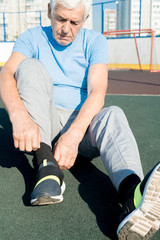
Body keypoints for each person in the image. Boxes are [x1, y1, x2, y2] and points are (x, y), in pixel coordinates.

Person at [0, 0, 160, 239]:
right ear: (49, 12)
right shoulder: (32, 36)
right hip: (45, 120)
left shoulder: (95, 41)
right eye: (60, 19)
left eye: (74, 22)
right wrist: (19, 116)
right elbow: (6, 75)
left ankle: (133, 196)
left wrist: (73, 136)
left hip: (82, 127)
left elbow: (98, 92)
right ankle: (47, 169)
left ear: (84, 21)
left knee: (113, 113)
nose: (66, 28)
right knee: (29, 66)